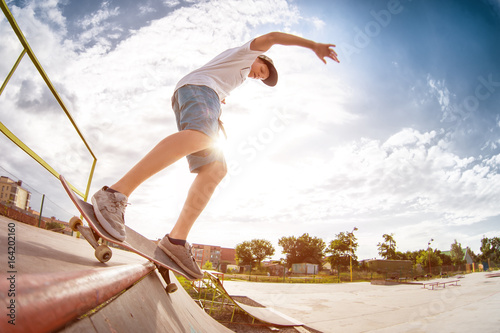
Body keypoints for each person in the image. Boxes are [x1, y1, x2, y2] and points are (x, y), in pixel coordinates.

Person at [91, 31, 339, 279]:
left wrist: (219, 101)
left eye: (261, 77)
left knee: (217, 170)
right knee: (201, 136)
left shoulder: (236, 76)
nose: (257, 76)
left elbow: (218, 83)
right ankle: (113, 194)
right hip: (199, 90)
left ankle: (175, 241)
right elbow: (272, 37)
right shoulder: (246, 53)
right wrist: (313, 45)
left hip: (206, 95)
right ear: (260, 58)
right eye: (261, 71)